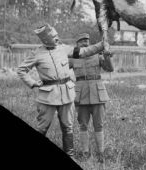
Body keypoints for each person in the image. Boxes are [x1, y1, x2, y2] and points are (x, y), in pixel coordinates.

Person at [17, 24, 108, 156]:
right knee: (43, 126)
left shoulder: (64, 49)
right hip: (47, 96)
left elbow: (84, 52)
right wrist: (32, 83)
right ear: (46, 39)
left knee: (68, 127)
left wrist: (101, 45)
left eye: (57, 35)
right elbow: (21, 70)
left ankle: (70, 155)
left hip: (67, 94)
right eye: (54, 37)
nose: (57, 38)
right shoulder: (36, 53)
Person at [70, 32, 114, 162]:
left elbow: (110, 69)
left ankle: (101, 153)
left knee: (98, 125)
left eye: (86, 41)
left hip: (97, 94)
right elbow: (60, 69)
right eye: (81, 41)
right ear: (77, 44)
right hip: (80, 95)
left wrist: (107, 57)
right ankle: (85, 153)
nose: (85, 43)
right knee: (82, 124)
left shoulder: (98, 55)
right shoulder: (73, 57)